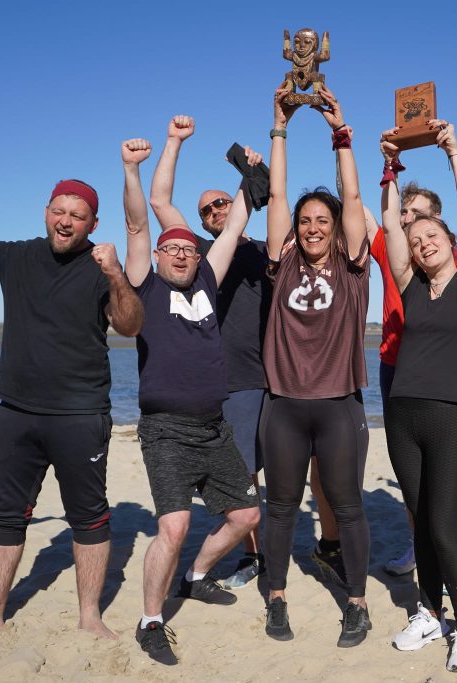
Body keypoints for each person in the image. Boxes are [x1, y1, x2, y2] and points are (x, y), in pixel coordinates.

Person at [0, 178, 144, 651]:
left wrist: (117, 275)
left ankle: (90, 617)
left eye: (77, 216)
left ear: (93, 224)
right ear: (46, 212)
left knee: (89, 519)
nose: (65, 222)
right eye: (59, 211)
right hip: (16, 414)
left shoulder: (101, 266)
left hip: (81, 415)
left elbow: (130, 325)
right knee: (5, 518)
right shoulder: (13, 256)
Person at [121, 132, 263, 665]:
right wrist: (140, 164)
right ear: (159, 255)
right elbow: (139, 222)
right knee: (175, 525)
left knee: (246, 515)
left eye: (188, 248)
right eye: (172, 249)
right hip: (166, 430)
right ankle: (150, 621)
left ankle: (196, 576)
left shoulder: (206, 277)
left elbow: (238, 221)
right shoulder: (145, 285)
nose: (182, 254)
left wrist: (249, 173)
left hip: (214, 427)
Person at [380, 119, 457, 672]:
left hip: (452, 415)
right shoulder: (410, 287)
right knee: (421, 520)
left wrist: (453, 152)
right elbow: (389, 222)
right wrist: (389, 167)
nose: (424, 243)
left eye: (433, 237)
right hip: (402, 414)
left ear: (450, 242)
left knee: (447, 526)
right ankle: (429, 612)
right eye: (416, 240)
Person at [260, 84, 373, 647]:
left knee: (347, 507)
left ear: (335, 226)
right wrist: (279, 126)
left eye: (321, 220)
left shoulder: (353, 268)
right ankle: (277, 598)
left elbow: (352, 196)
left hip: (337, 405)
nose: (311, 227)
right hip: (283, 404)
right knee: (281, 507)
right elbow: (277, 193)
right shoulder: (281, 263)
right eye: (305, 221)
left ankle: (357, 603)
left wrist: (340, 132)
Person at [147, 115, 274, 590]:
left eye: (222, 202)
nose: (216, 210)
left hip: (280, 377)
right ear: (200, 223)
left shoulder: (267, 249)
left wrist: (253, 169)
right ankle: (253, 555)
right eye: (206, 209)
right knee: (245, 476)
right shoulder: (200, 255)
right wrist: (174, 142)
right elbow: (160, 202)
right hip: (235, 380)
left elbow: (262, 200)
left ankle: (296, 549)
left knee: (287, 471)